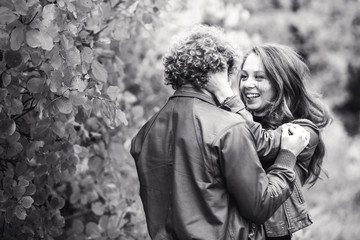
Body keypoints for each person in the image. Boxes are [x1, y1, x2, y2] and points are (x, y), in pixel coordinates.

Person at [130, 25, 310, 240]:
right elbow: (260, 207)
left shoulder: (145, 133)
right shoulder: (229, 128)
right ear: (222, 71)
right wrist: (286, 159)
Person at [205, 43, 332, 239]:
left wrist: (225, 94)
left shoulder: (304, 131)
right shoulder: (238, 120)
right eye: (244, 76)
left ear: (281, 83)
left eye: (259, 77)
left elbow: (263, 145)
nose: (247, 84)